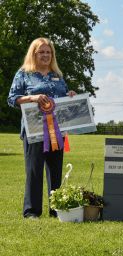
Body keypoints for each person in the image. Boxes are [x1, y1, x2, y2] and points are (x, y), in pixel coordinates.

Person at [7, 37, 76, 219]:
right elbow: (12, 98)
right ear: (34, 54)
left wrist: (70, 95)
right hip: (33, 131)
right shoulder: (24, 73)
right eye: (41, 52)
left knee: (55, 172)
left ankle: (56, 209)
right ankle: (32, 211)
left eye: (48, 52)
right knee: (34, 171)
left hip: (57, 131)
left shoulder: (58, 75)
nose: (45, 55)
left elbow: (62, 99)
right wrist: (32, 98)